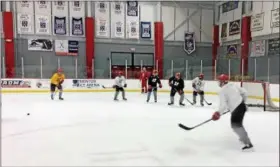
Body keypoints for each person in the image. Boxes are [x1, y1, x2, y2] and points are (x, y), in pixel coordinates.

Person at [212, 74, 253, 150]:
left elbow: (223, 105)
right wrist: (242, 102)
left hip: (236, 109)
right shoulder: (234, 85)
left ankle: (248, 144)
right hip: (242, 106)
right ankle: (243, 137)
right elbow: (245, 92)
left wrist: (218, 113)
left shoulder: (222, 90)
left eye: (219, 81)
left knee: (235, 125)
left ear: (223, 82)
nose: (218, 82)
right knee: (238, 124)